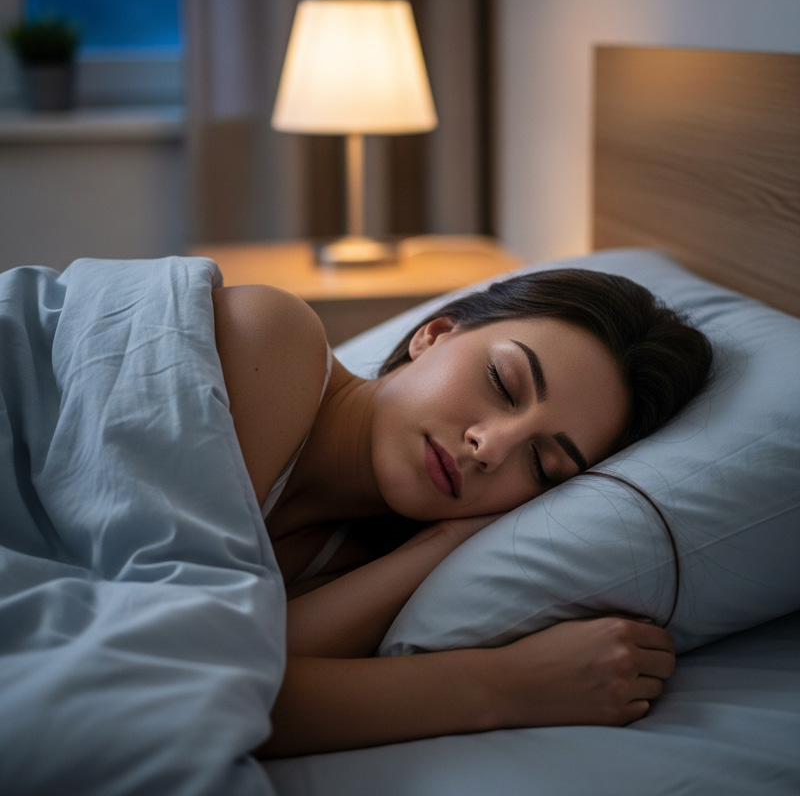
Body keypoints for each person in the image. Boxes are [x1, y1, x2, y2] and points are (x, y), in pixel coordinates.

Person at [211, 267, 713, 758]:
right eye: (503, 382)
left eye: (542, 464)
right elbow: (190, 679)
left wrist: (446, 541)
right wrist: (511, 686)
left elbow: (235, 683)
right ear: (435, 334)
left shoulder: (354, 566)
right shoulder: (272, 336)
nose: (491, 447)